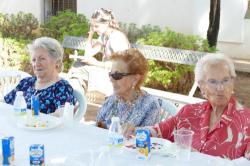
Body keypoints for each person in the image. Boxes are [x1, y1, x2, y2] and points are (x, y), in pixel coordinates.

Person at [124, 53, 250, 160]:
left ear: (232, 82)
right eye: (213, 81)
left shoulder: (246, 120)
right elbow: (159, 131)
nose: (220, 88)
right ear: (201, 86)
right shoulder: (189, 112)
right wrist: (136, 131)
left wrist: (199, 159)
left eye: (225, 80)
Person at [4, 37, 76, 114]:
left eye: (42, 59)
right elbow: (4, 103)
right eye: (34, 60)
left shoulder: (62, 87)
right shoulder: (26, 82)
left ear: (57, 62)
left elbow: (61, 116)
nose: (36, 64)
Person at [96, 48, 160, 130]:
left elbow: (148, 139)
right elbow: (97, 126)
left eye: (117, 75)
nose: (111, 79)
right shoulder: (112, 100)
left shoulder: (150, 105)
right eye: (110, 74)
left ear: (135, 79)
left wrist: (134, 131)